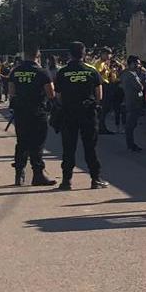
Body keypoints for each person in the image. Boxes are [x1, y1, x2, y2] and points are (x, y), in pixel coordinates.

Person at [53, 42, 109, 190]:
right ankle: (95, 179)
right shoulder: (91, 71)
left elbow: (57, 96)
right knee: (90, 147)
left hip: (69, 113)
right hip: (88, 113)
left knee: (68, 147)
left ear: (69, 54)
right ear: (84, 54)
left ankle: (66, 181)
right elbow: (99, 95)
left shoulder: (62, 72)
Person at [8, 47, 56, 187]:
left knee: (22, 142)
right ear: (38, 56)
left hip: (21, 112)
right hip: (37, 112)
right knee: (37, 144)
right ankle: (38, 174)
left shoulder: (15, 71)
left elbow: (11, 92)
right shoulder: (41, 72)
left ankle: (19, 172)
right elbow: (51, 93)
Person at [121, 55, 146, 152]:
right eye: (137, 63)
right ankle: (130, 144)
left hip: (130, 100)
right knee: (131, 124)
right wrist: (143, 76)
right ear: (131, 64)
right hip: (133, 101)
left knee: (131, 123)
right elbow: (140, 87)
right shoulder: (132, 74)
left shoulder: (125, 73)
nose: (139, 66)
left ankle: (130, 143)